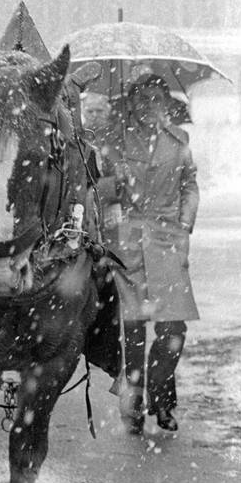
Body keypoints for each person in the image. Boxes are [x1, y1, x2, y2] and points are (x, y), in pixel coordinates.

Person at [97, 74, 199, 435]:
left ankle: (159, 393)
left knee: (173, 329)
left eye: (156, 98)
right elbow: (96, 188)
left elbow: (190, 186)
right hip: (129, 242)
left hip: (168, 242)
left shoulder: (180, 141)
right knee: (135, 331)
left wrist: (185, 225)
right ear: (131, 102)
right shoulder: (114, 141)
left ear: (165, 103)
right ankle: (139, 403)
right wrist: (115, 183)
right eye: (141, 98)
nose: (148, 105)